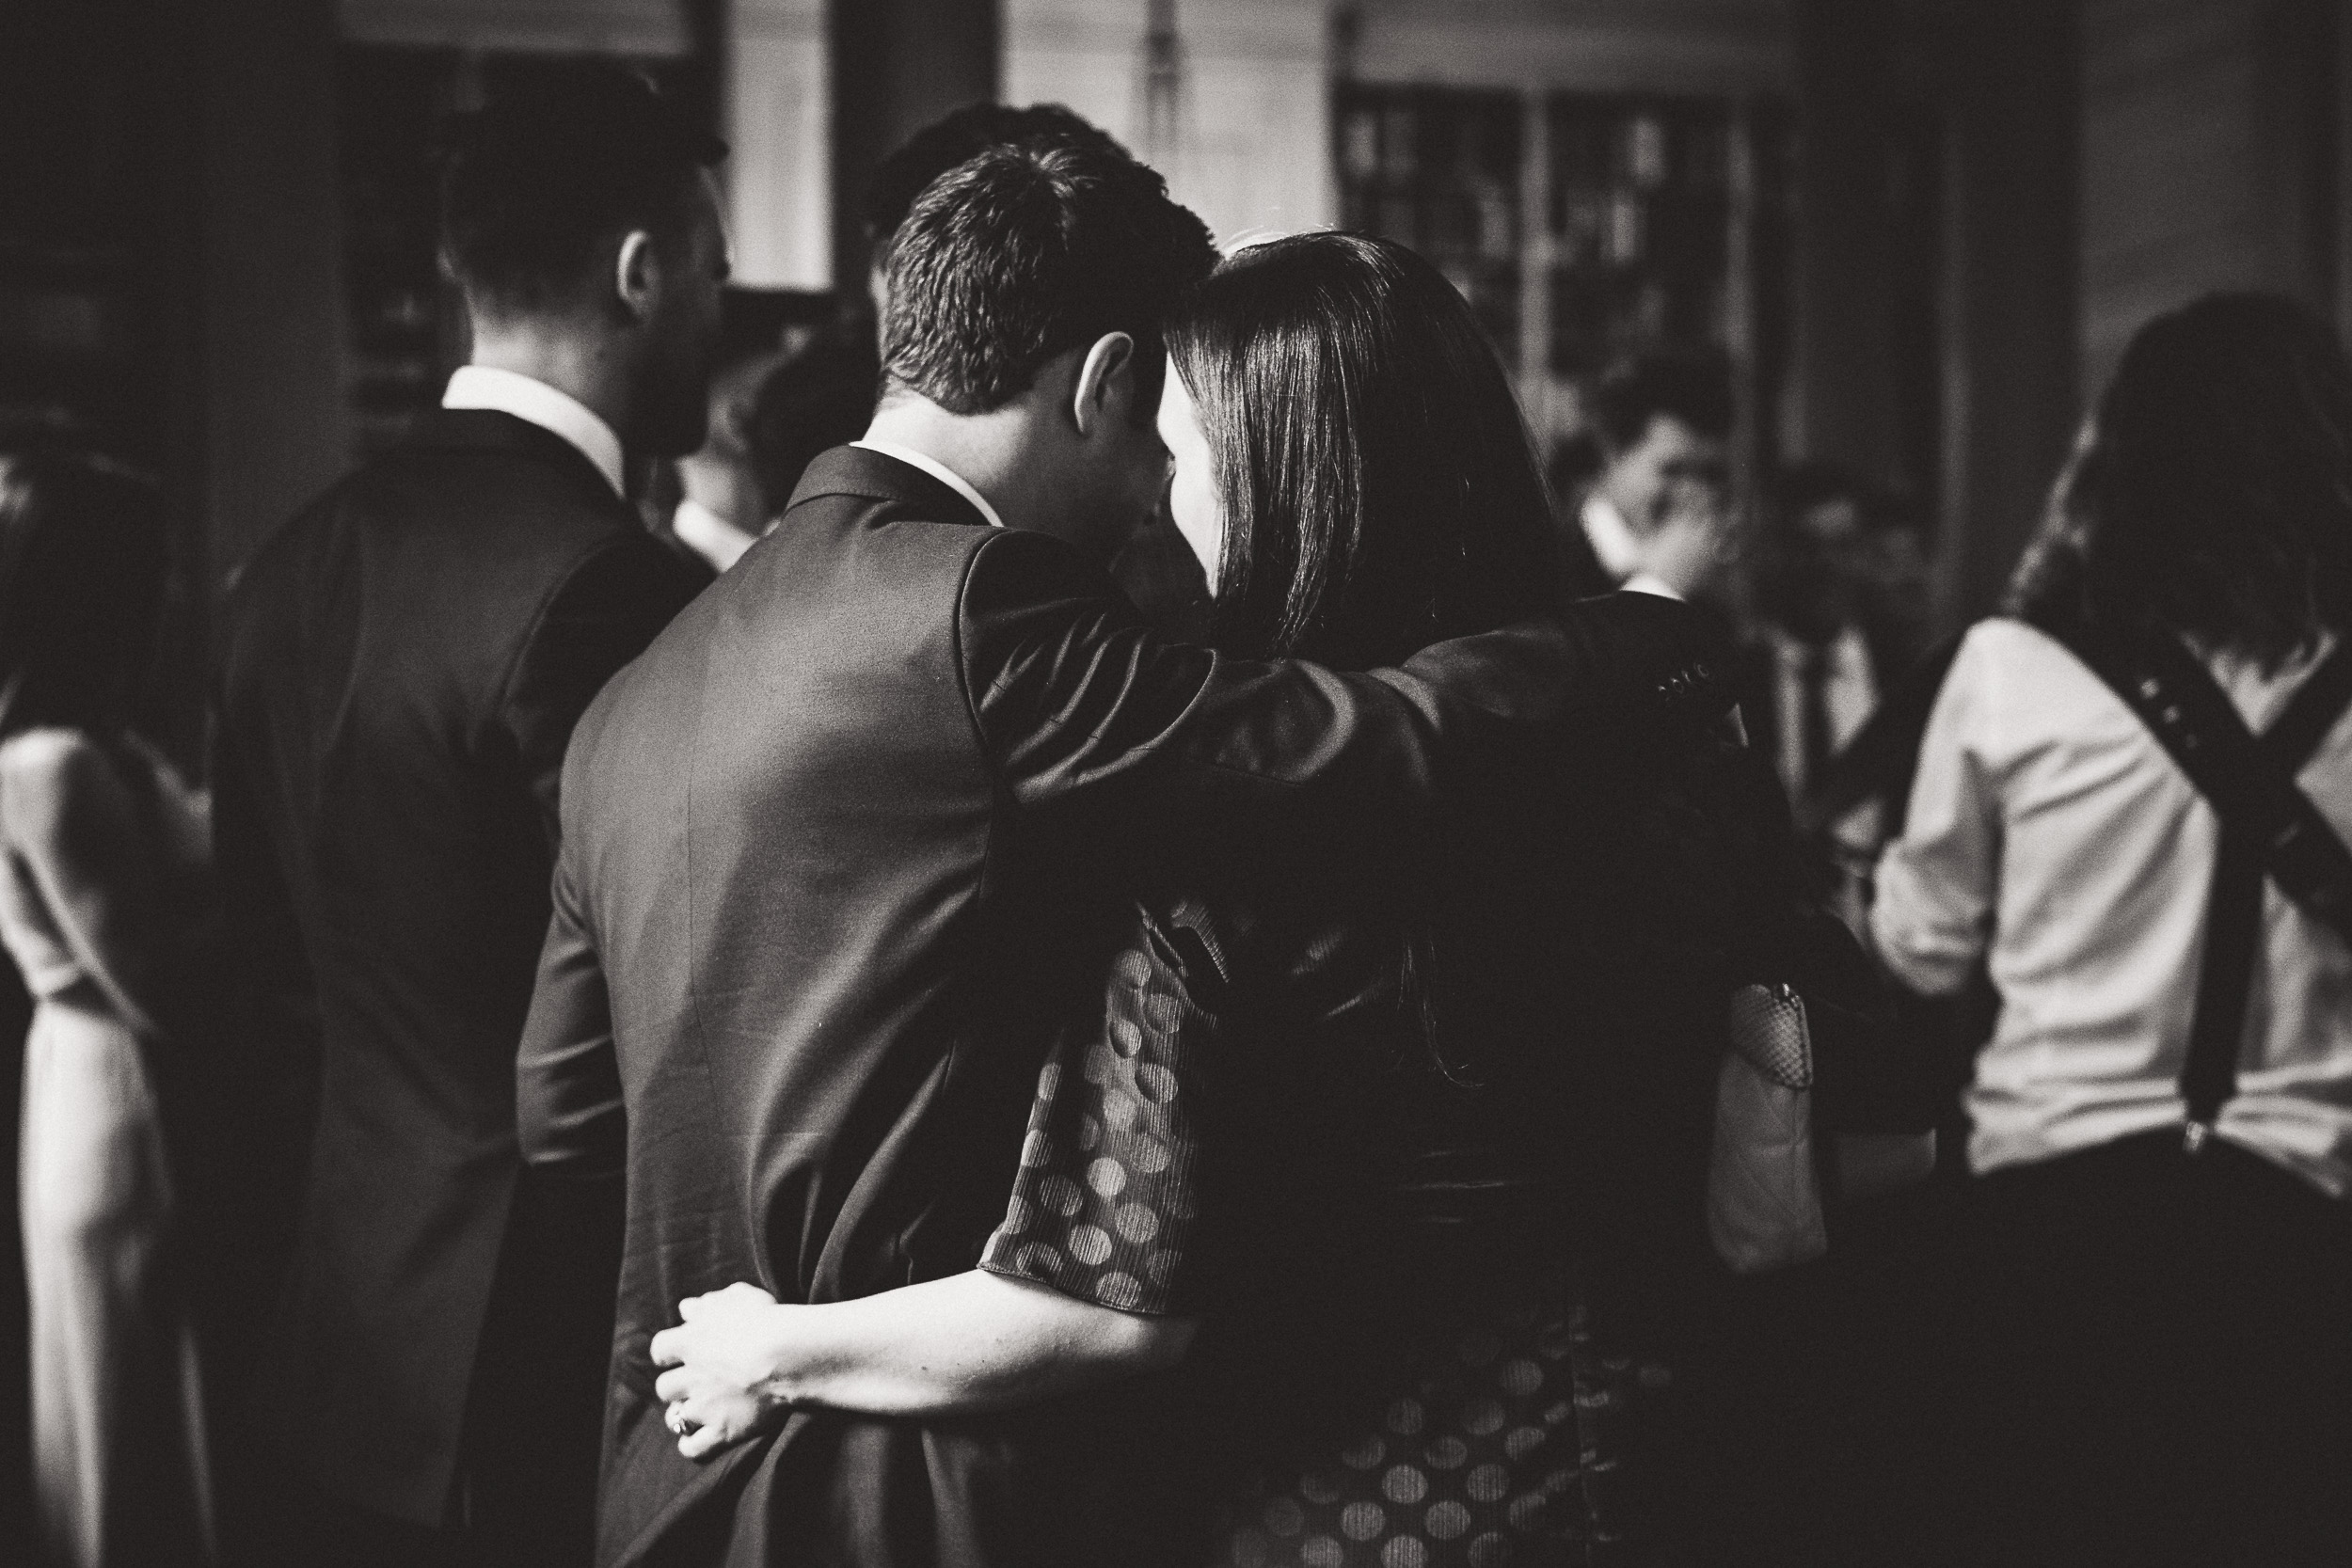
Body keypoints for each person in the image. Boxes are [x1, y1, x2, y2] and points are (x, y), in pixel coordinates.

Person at [515, 147, 1720, 1568]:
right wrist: (1650, 633)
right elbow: (1361, 737)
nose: (1159, 481)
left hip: (682, 1469)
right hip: (932, 1490)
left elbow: (564, 1117)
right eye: (1160, 431)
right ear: (1099, 385)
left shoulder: (631, 700)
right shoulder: (981, 611)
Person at [212, 67, 721, 1566]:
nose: (716, 311)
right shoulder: (602, 585)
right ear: (642, 273)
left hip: (320, 1329)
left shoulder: (290, 564)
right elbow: (657, 995)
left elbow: (263, 971)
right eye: (713, 272)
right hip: (528, 1353)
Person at [1871, 293, 2352, 1565]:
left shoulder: (2010, 666)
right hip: (2304, 1230)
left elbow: (1918, 946)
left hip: (2049, 1223)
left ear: (2124, 457)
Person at [0, 452, 213, 1567]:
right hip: (118, 1091)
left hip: (106, 1079)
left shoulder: (104, 746)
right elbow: (157, 982)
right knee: (126, 1394)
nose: (174, 592)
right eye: (157, 569)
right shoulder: (50, 767)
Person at [1562, 351, 1736, 607]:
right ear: (1611, 454)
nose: (1693, 492)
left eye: (1710, 474)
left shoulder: (1709, 577)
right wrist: (1660, 587)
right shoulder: (1554, 557)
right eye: (1672, 470)